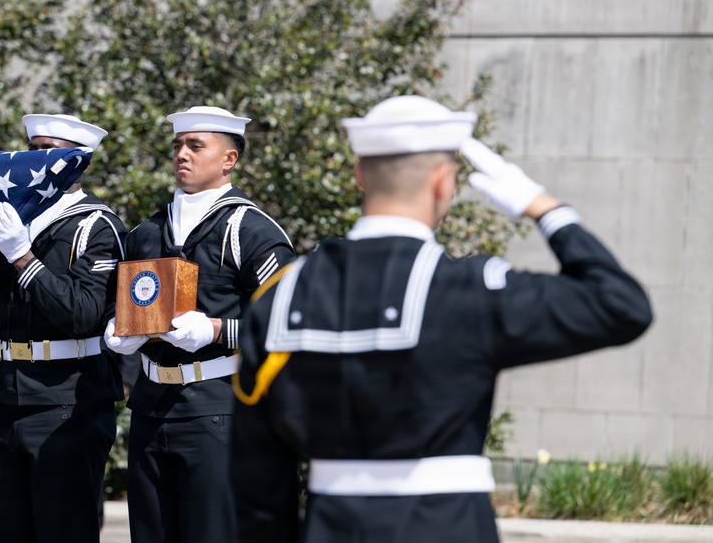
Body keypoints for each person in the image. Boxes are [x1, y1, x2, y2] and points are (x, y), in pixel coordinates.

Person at [230, 95, 654, 543]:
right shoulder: (470, 290)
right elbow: (621, 305)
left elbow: (256, 474)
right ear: (443, 183)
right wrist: (546, 209)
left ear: (360, 174)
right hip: (446, 524)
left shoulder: (281, 295)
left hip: (331, 527)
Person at [105, 106, 296, 543]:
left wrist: (216, 331)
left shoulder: (252, 230)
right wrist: (119, 334)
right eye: (177, 146)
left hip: (218, 409)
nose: (182, 155)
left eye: (196, 146)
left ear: (229, 159)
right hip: (152, 408)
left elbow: (286, 326)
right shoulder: (146, 232)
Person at [0, 114, 126, 542]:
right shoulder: (14, 217)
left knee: (62, 531)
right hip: (11, 392)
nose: (36, 160)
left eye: (50, 150)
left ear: (78, 161)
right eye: (32, 150)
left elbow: (82, 313)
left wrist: (24, 258)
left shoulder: (98, 226)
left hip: (70, 398)